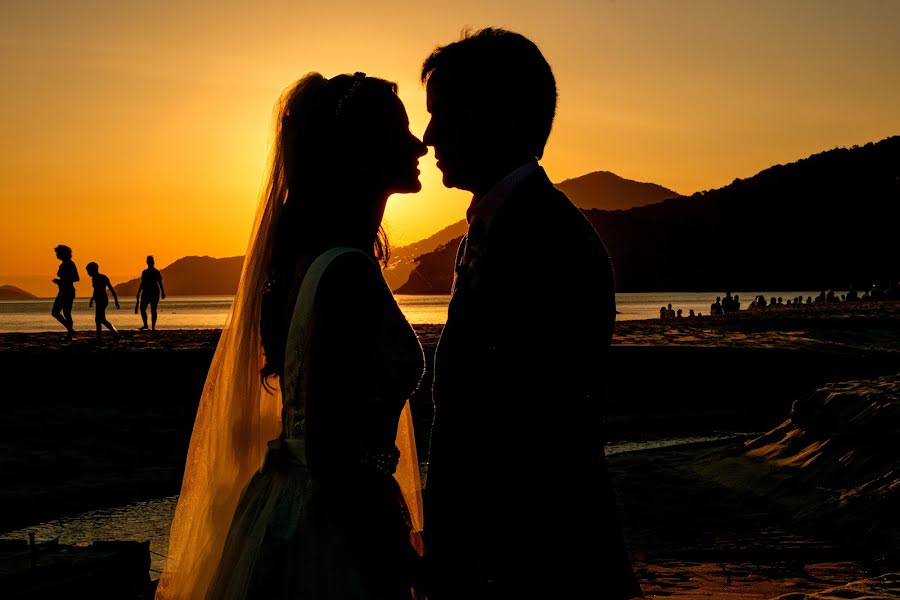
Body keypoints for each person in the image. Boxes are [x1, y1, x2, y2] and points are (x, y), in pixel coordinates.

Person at [157, 72, 428, 599]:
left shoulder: (308, 260)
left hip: (287, 504)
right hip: (337, 525)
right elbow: (333, 452)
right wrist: (398, 555)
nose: (419, 145)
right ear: (358, 153)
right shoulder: (347, 273)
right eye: (401, 133)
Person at [421, 28, 643, 599]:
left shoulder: (549, 239)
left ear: (505, 117)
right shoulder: (497, 226)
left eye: (446, 112)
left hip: (535, 566)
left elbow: (532, 432)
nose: (429, 134)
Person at [86, 262, 120, 341]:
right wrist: (92, 300)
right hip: (100, 300)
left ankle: (114, 333)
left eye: (88, 271)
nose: (88, 273)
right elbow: (96, 291)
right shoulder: (98, 277)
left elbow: (111, 289)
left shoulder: (99, 278)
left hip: (102, 300)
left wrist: (116, 301)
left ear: (93, 270)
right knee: (100, 319)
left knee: (100, 319)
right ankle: (101, 336)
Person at [51, 244, 79, 340]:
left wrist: (61, 281)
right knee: (62, 312)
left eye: (57, 253)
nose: (56, 255)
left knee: (61, 312)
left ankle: (70, 332)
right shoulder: (64, 264)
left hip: (67, 291)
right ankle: (70, 331)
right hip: (64, 290)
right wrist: (60, 282)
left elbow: (76, 278)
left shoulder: (69, 264)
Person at [136, 255, 165, 330]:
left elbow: (159, 283)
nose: (148, 262)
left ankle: (152, 327)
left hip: (153, 292)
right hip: (147, 292)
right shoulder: (145, 272)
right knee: (143, 309)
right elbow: (143, 283)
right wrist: (139, 292)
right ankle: (147, 325)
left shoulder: (156, 272)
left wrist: (163, 292)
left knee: (152, 309)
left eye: (149, 261)